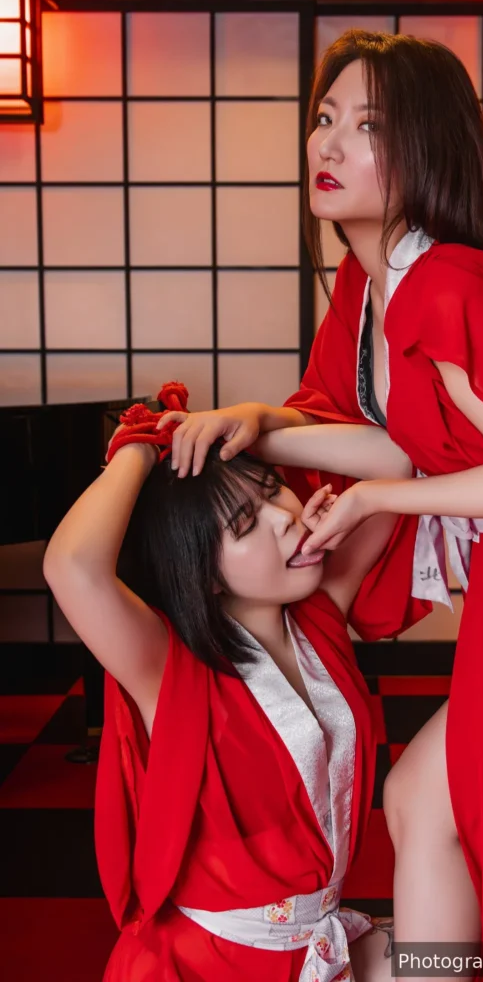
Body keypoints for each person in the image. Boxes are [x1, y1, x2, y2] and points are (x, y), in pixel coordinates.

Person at [160, 29, 483, 974]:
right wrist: (261, 425)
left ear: (425, 148)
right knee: (426, 803)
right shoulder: (367, 285)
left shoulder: (446, 284)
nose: (328, 144)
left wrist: (370, 501)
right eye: (325, 118)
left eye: (367, 126)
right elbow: (408, 440)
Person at [42, 380, 409, 982]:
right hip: (212, 964)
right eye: (246, 523)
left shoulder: (321, 615)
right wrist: (143, 443)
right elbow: (71, 567)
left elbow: (398, 460)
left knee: (463, 957)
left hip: (318, 942)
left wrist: (257, 428)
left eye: (273, 490)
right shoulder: (168, 665)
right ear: (204, 572)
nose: (285, 518)